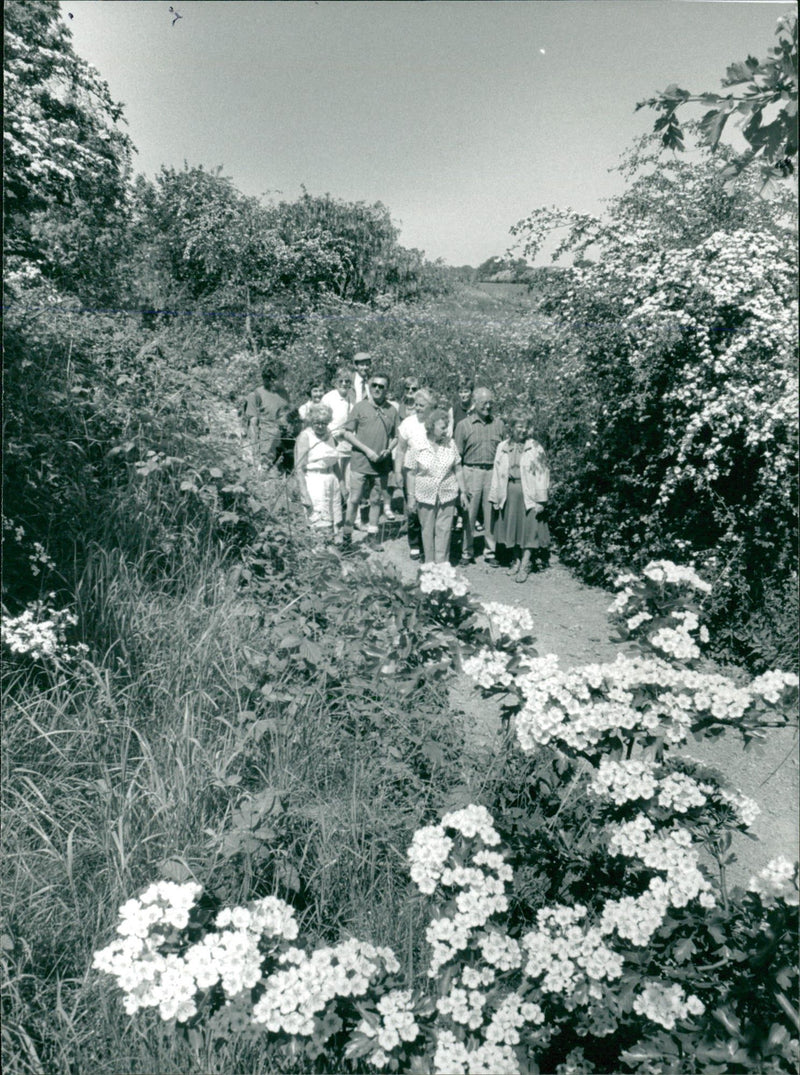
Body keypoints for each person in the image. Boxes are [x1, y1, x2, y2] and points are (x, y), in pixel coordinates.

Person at [489, 410, 551, 581]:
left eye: (526, 427)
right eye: (519, 426)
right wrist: (495, 497)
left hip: (528, 494)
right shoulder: (502, 447)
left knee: (529, 530)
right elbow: (496, 472)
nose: (522, 430)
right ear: (512, 427)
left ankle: (525, 564)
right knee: (512, 529)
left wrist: (541, 500)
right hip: (509, 492)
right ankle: (515, 560)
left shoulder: (535, 447)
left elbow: (542, 473)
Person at [341, 371, 398, 548]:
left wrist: (389, 450)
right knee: (354, 500)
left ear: (387, 389)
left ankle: (372, 536)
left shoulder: (392, 410)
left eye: (382, 386)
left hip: (380, 465)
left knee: (376, 500)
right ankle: (347, 538)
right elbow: (346, 433)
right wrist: (367, 451)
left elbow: (396, 436)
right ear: (369, 386)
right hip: (360, 462)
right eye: (374, 385)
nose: (377, 389)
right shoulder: (360, 407)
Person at [406, 408, 467, 564]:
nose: (446, 430)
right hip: (425, 495)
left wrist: (463, 492)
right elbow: (411, 473)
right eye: (442, 427)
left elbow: (458, 469)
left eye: (447, 426)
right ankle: (429, 565)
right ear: (431, 426)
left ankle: (442, 566)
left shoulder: (450, 443)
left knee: (444, 531)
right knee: (427, 531)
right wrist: (411, 498)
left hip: (448, 494)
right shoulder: (417, 444)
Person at [454, 387, 505, 565]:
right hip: (471, 471)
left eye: (491, 402)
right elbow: (456, 456)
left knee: (491, 512)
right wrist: (460, 484)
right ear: (475, 403)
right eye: (484, 403)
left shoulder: (499, 424)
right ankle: (467, 551)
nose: (488, 406)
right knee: (469, 513)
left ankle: (490, 552)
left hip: (492, 472)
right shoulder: (463, 426)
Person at [294, 403, 346, 543]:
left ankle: (333, 552)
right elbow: (299, 468)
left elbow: (335, 463)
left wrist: (342, 484)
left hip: (331, 480)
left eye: (324, 423)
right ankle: (320, 554)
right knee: (319, 522)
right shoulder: (305, 436)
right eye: (317, 423)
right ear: (311, 421)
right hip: (314, 481)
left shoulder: (330, 435)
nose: (321, 426)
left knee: (335, 521)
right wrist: (304, 494)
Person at [394, 388, 433, 559]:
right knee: (413, 508)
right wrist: (397, 471)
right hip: (411, 471)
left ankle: (428, 542)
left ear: (430, 406)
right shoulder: (408, 424)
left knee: (430, 508)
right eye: (416, 404)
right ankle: (415, 543)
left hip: (432, 472)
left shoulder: (436, 422)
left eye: (422, 405)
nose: (417, 408)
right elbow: (400, 450)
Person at [241, 366, 291, 471]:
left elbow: (286, 416)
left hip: (281, 443)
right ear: (272, 379)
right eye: (282, 377)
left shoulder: (284, 393)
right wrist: (255, 453)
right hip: (264, 445)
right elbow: (253, 426)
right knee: (262, 475)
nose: (285, 380)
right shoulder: (255, 395)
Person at [320, 367, 354, 495]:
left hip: (349, 444)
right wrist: (332, 436)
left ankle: (349, 512)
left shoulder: (352, 398)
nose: (344, 384)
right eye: (341, 381)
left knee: (349, 481)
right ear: (335, 382)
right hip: (334, 443)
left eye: (347, 381)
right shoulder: (328, 398)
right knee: (336, 480)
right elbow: (322, 420)